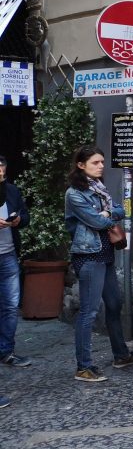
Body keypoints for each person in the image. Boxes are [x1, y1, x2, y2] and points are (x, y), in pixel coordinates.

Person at [64, 146, 133, 382]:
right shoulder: (74, 193)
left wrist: (106, 213)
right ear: (81, 165)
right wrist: (106, 215)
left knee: (114, 303)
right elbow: (94, 221)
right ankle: (83, 366)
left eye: (102, 162)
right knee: (89, 311)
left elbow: (120, 209)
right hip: (89, 255)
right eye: (96, 162)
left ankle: (121, 354)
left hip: (106, 252)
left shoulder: (98, 189)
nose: (101, 166)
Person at [0, 155, 29, 372]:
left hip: (8, 254)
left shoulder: (12, 191)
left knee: (10, 306)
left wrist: (19, 220)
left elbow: (25, 216)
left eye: (2, 169)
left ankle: (6, 351)